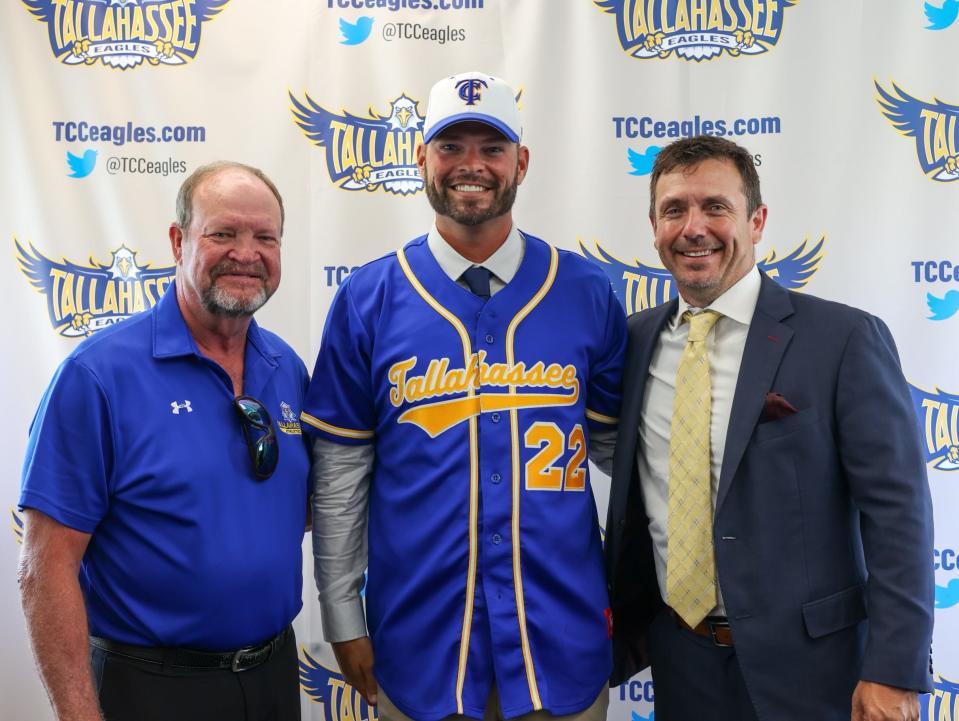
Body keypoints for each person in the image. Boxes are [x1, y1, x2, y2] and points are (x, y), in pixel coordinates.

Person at [302, 71, 625, 721]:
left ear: (520, 163)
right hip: (419, 642)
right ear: (420, 158)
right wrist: (341, 614)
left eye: (491, 147)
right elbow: (340, 474)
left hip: (561, 639)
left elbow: (630, 456)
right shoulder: (368, 298)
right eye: (450, 146)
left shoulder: (587, 291)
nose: (470, 165)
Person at [604, 135, 934, 721]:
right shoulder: (628, 343)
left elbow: (899, 513)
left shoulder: (843, 340)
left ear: (756, 221)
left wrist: (893, 669)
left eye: (716, 207)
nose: (693, 227)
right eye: (674, 209)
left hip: (818, 669)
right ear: (653, 226)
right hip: (682, 662)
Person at [17, 161, 311, 721]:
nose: (245, 254)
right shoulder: (98, 377)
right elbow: (45, 568)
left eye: (264, 238)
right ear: (178, 241)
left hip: (274, 677)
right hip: (149, 688)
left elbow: (293, 511)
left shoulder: (287, 368)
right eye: (222, 233)